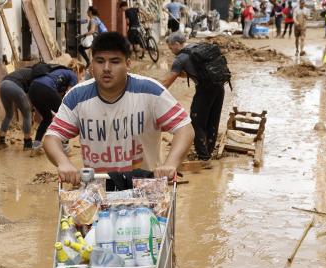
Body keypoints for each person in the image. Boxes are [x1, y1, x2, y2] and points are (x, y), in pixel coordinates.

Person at [43, 32, 193, 183]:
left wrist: (170, 164)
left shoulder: (151, 91)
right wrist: (64, 163)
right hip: (97, 191)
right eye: (100, 61)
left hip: (146, 189)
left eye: (115, 62)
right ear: (91, 65)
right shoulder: (76, 97)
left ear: (128, 64)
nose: (106, 68)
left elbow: (184, 128)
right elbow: (52, 137)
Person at [161, 33, 226, 162]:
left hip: (204, 90)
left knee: (197, 122)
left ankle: (203, 157)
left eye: (170, 48)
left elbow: (166, 83)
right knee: (213, 119)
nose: (171, 51)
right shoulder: (197, 47)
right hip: (219, 86)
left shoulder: (180, 58)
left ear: (177, 44)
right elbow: (195, 72)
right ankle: (209, 149)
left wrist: (153, 93)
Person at [28, 56, 79, 151]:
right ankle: (65, 148)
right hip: (45, 88)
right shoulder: (73, 74)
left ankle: (36, 145)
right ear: (79, 70)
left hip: (33, 88)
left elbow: (56, 94)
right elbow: (69, 94)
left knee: (47, 118)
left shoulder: (58, 72)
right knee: (65, 116)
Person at [0, 66, 34, 150]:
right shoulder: (35, 74)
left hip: (3, 86)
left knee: (9, 114)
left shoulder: (22, 71)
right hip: (14, 87)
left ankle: (1, 142)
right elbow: (31, 93)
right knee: (27, 114)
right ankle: (28, 143)